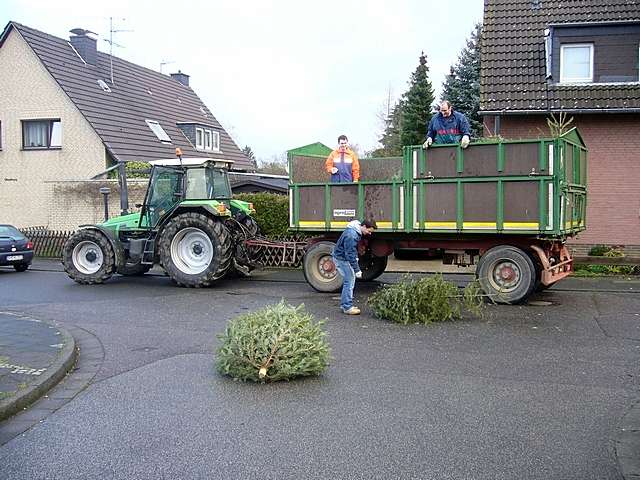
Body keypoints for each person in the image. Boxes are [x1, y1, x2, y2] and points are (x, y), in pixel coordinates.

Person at [332, 219, 377, 315]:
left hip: (343, 257)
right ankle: (347, 307)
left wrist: (355, 259)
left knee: (350, 280)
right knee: (349, 280)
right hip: (341, 259)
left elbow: (351, 251)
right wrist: (357, 269)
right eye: (369, 231)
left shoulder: (355, 231)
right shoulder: (351, 235)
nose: (369, 234)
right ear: (364, 226)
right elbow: (349, 254)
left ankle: (345, 304)